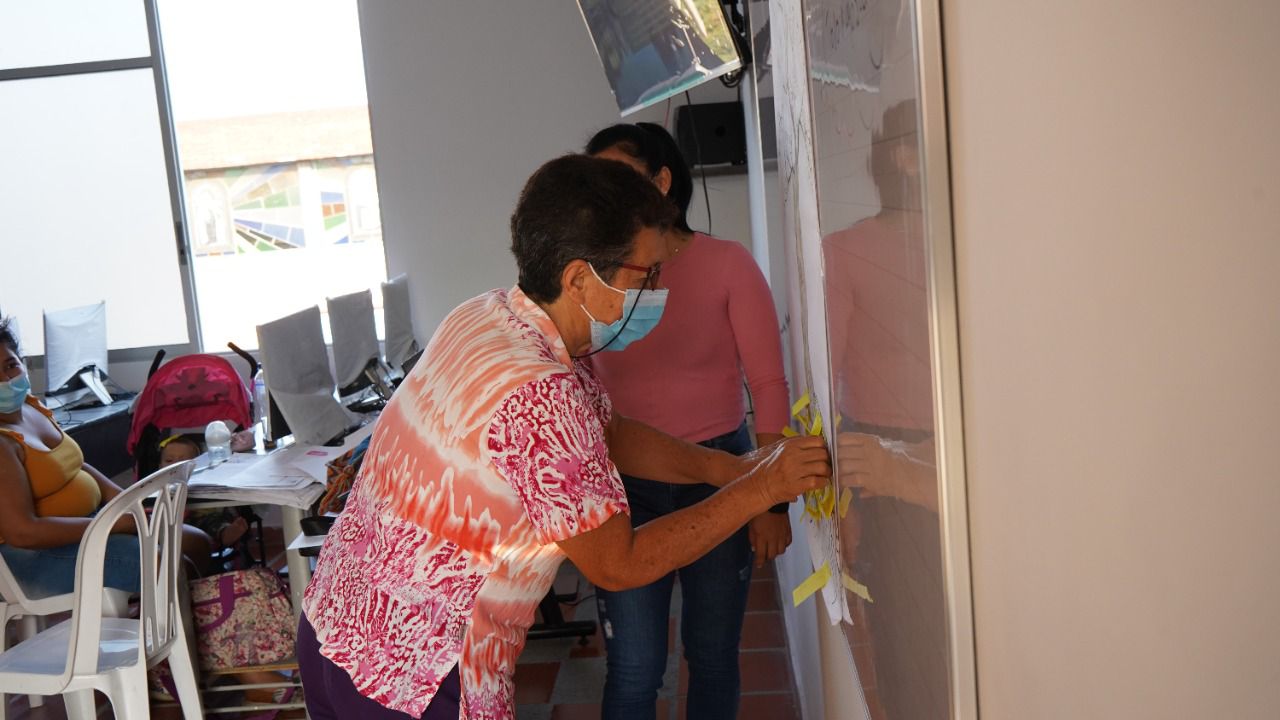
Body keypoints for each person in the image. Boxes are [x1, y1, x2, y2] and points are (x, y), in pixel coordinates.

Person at [296, 154, 830, 720]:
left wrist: (731, 468)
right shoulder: (542, 391)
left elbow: (610, 433)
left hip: (335, 624)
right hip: (415, 673)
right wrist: (759, 490)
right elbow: (618, 562)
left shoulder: (488, 315)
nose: (657, 289)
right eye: (645, 275)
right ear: (579, 279)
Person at [584, 122, 792, 719]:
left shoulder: (727, 264)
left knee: (713, 654)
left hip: (720, 477)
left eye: (617, 177)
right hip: (623, 488)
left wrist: (771, 500)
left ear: (662, 181)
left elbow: (769, 386)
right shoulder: (592, 279)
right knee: (634, 669)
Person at [0, 318, 213, 600]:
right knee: (172, 566)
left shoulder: (31, 407)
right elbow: (23, 533)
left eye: (10, 365)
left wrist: (128, 503)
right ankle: (177, 627)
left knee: (197, 542)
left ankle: (183, 620)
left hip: (89, 525)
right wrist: (113, 524)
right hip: (37, 556)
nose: (6, 380)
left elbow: (76, 467)